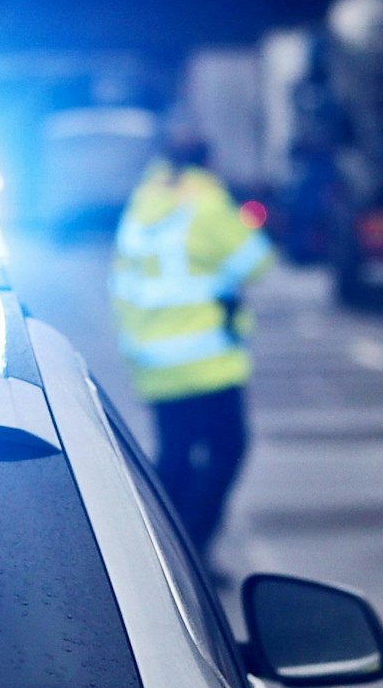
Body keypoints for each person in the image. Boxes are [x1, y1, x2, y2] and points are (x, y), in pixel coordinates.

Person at [110, 125, 274, 568]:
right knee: (227, 451)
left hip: (152, 357)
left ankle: (159, 551)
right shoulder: (204, 202)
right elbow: (256, 261)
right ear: (208, 161)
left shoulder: (145, 201)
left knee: (176, 460)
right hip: (206, 361)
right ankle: (191, 553)